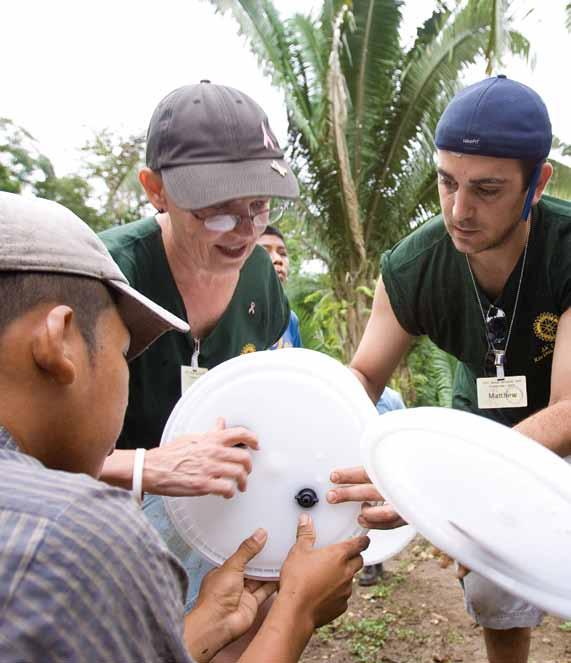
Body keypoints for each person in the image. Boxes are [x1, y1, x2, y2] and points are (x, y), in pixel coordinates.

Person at [0, 192, 369, 663]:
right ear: (57, 343)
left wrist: (203, 626)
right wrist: (295, 612)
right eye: (123, 352)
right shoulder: (73, 536)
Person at [326, 75, 571, 663]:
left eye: (487, 189)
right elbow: (361, 378)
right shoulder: (413, 267)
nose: (460, 210)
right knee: (493, 586)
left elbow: (567, 413)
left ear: (537, 183)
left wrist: (453, 484)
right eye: (446, 182)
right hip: (481, 424)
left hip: (554, 429)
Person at [257, 224, 302, 348]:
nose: (278, 259)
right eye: (265, 251)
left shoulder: (290, 321)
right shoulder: (225, 315)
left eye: (282, 253)